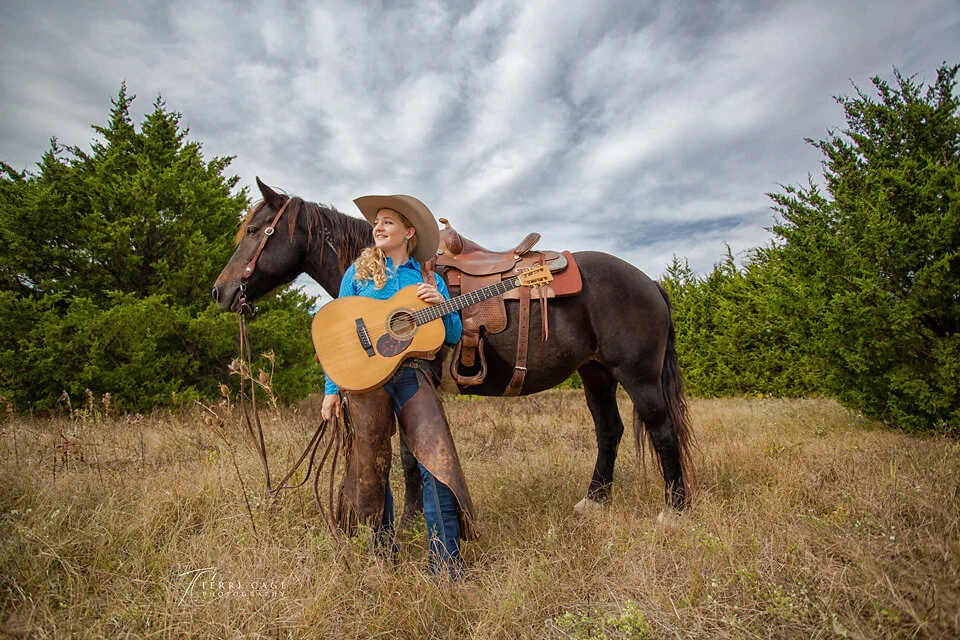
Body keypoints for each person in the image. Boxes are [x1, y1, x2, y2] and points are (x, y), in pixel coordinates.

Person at [320, 194, 477, 578]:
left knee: (436, 462)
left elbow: (451, 335)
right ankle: (381, 555)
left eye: (388, 221)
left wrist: (443, 301)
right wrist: (330, 388)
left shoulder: (427, 279)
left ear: (408, 232)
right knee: (372, 465)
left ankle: (446, 566)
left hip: (413, 375)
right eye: (377, 221)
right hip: (365, 381)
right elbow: (337, 333)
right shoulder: (357, 273)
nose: (379, 226)